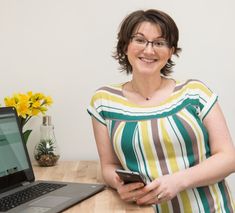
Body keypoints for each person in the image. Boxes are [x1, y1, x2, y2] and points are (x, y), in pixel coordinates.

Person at [87, 9, 235, 212]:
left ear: (171, 51)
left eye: (159, 43)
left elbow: (228, 158)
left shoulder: (195, 93)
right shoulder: (103, 101)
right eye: (139, 40)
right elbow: (108, 166)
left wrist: (178, 181)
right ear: (125, 45)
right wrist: (119, 185)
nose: (149, 50)